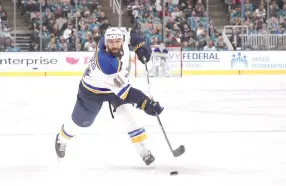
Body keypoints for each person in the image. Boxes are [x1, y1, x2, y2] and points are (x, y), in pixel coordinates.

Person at [54, 27, 164, 166]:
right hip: (93, 91)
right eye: (110, 42)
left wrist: (140, 45)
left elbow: (130, 32)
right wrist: (146, 104)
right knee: (81, 123)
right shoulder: (107, 63)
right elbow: (127, 92)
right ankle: (61, 139)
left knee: (127, 115)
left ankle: (143, 150)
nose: (114, 44)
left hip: (116, 85)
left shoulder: (120, 36)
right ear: (105, 42)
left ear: (122, 40)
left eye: (117, 41)